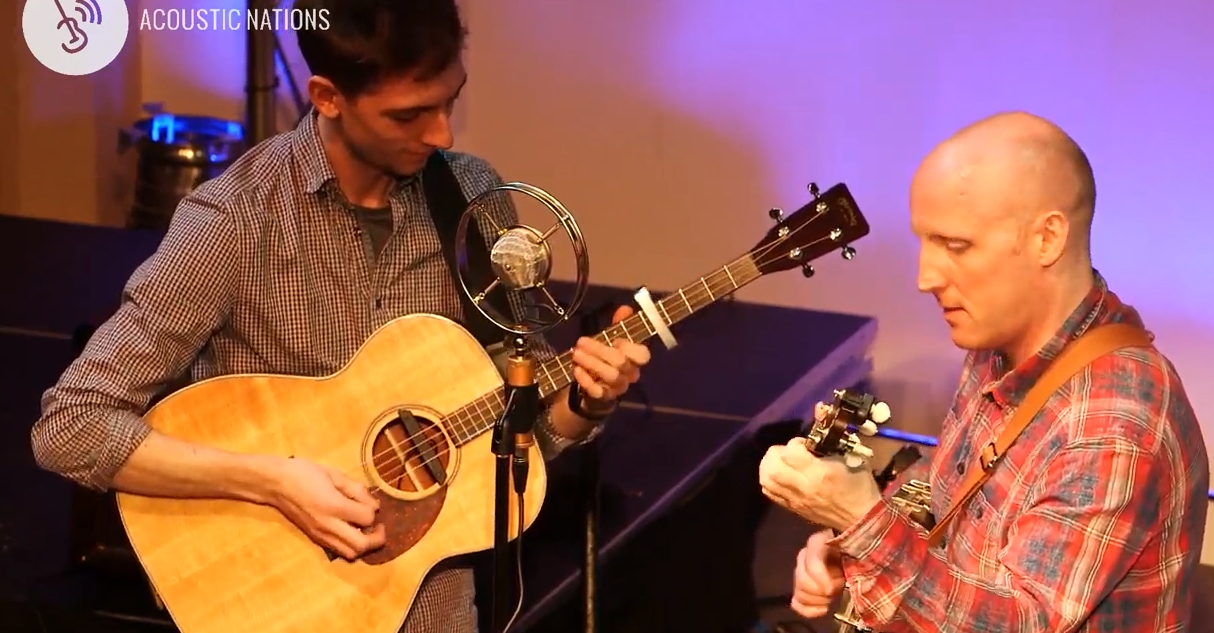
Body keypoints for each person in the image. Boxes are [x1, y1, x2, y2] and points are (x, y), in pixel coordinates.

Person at [29, 1, 651, 631]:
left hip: (435, 612)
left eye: (449, 100)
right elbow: (71, 426)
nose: (443, 136)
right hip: (277, 601)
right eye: (409, 115)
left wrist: (586, 400)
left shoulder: (470, 199)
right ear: (327, 97)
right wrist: (274, 482)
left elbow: (518, 436)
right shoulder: (235, 220)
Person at [758, 111, 1209, 631]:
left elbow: (1019, 624)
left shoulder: (1112, 423)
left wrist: (863, 524)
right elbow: (953, 492)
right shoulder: (999, 347)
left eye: (956, 246)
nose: (925, 277)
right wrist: (852, 541)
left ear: (1047, 238)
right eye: (923, 243)